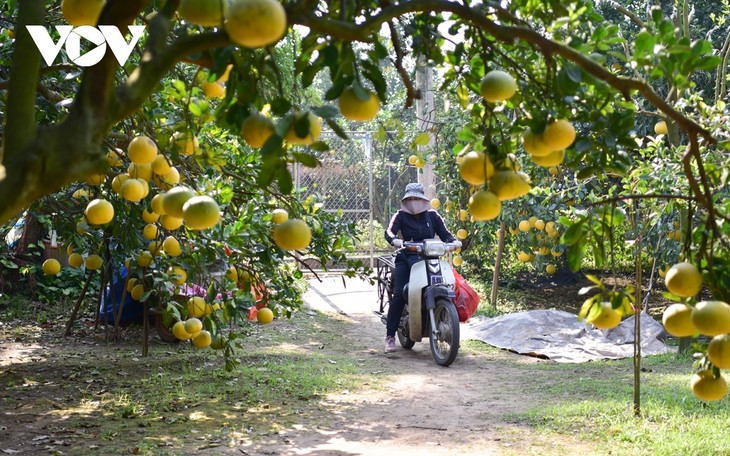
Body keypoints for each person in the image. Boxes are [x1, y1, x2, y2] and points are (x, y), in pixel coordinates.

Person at [383, 182, 460, 353]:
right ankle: (390, 336)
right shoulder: (400, 215)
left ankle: (451, 331)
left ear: (423, 199)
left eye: (417, 198)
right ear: (406, 200)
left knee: (445, 286)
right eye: (410, 198)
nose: (414, 201)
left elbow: (446, 235)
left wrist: (453, 242)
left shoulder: (433, 216)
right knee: (400, 293)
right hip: (406, 258)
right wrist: (395, 241)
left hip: (429, 258)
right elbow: (389, 232)